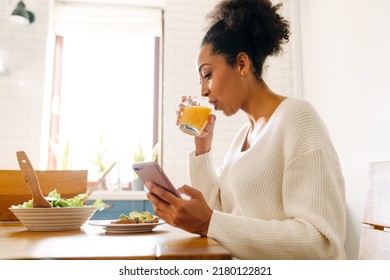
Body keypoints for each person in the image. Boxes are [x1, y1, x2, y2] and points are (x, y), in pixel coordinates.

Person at [146, 0, 347, 259]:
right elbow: (219, 213)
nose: (203, 91)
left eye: (207, 75)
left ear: (242, 64)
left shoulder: (297, 118)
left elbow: (322, 244)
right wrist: (202, 148)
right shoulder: (244, 135)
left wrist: (208, 223)